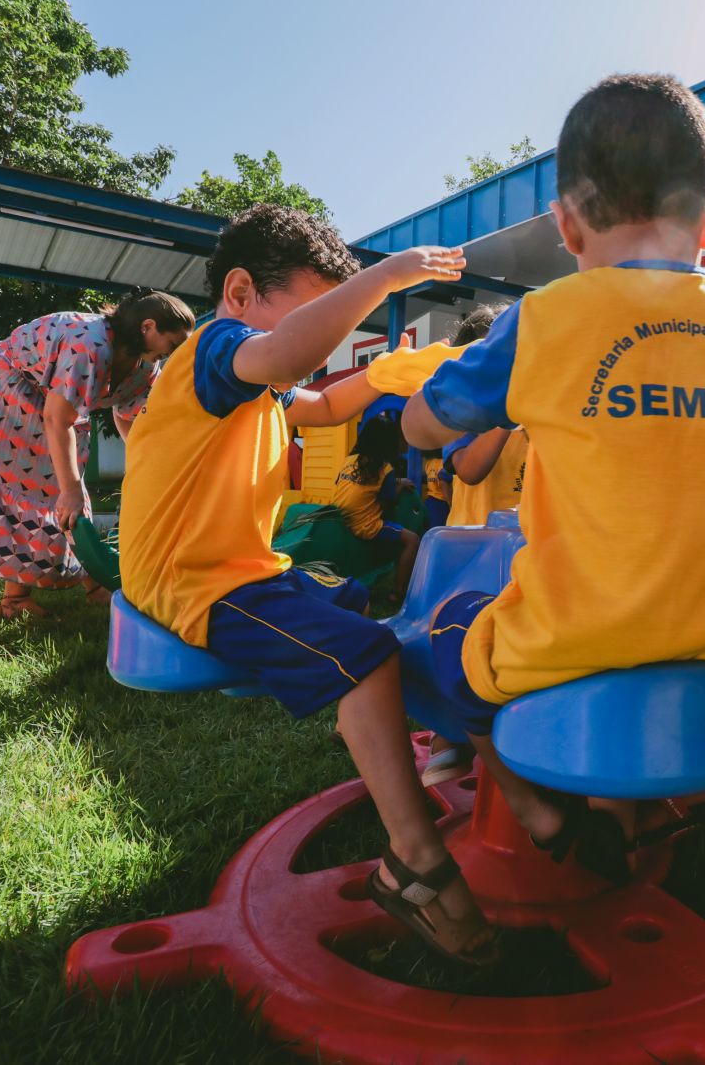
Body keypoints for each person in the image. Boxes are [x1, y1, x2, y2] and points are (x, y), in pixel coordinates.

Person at [400, 73, 705, 882]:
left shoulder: (546, 320)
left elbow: (425, 424)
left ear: (563, 224)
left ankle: (538, 808)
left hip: (573, 643)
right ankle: (624, 816)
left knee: (422, 641)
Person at [116, 204, 494, 965]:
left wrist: (395, 374)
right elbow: (290, 360)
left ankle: (397, 735)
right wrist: (388, 276)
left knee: (369, 618)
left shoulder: (254, 376)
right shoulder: (216, 347)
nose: (327, 328)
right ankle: (412, 856)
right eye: (317, 305)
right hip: (195, 578)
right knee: (366, 652)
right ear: (241, 291)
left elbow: (319, 406)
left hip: (242, 565)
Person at [0, 289, 195, 616]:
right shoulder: (89, 346)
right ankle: (14, 600)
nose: (177, 353)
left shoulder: (146, 368)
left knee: (66, 483)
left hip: (53, 407)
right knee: (40, 486)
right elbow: (57, 418)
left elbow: (128, 415)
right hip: (0, 388)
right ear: (148, 328)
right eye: (175, 343)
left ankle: (94, 584)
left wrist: (144, 469)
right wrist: (70, 488)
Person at [440, 307, 528, 528]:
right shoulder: (461, 410)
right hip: (474, 541)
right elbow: (469, 471)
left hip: (523, 540)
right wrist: (506, 411)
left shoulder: (534, 407)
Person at [332, 413, 419, 604]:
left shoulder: (350, 460)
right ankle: (397, 593)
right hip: (365, 526)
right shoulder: (385, 469)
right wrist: (399, 486)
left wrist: (396, 482)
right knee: (412, 540)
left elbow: (361, 485)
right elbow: (388, 502)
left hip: (339, 519)